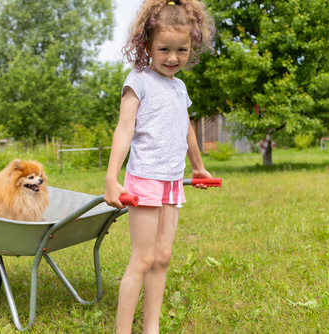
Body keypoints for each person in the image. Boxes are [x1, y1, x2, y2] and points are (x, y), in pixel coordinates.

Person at [104, 0, 215, 333]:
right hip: (144, 181)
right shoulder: (138, 80)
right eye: (164, 48)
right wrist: (112, 178)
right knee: (142, 260)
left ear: (191, 47)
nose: (172, 57)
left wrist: (197, 167)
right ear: (148, 44)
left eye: (181, 50)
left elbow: (185, 128)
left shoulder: (179, 87)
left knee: (163, 257)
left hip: (172, 182)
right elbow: (124, 129)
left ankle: (151, 328)